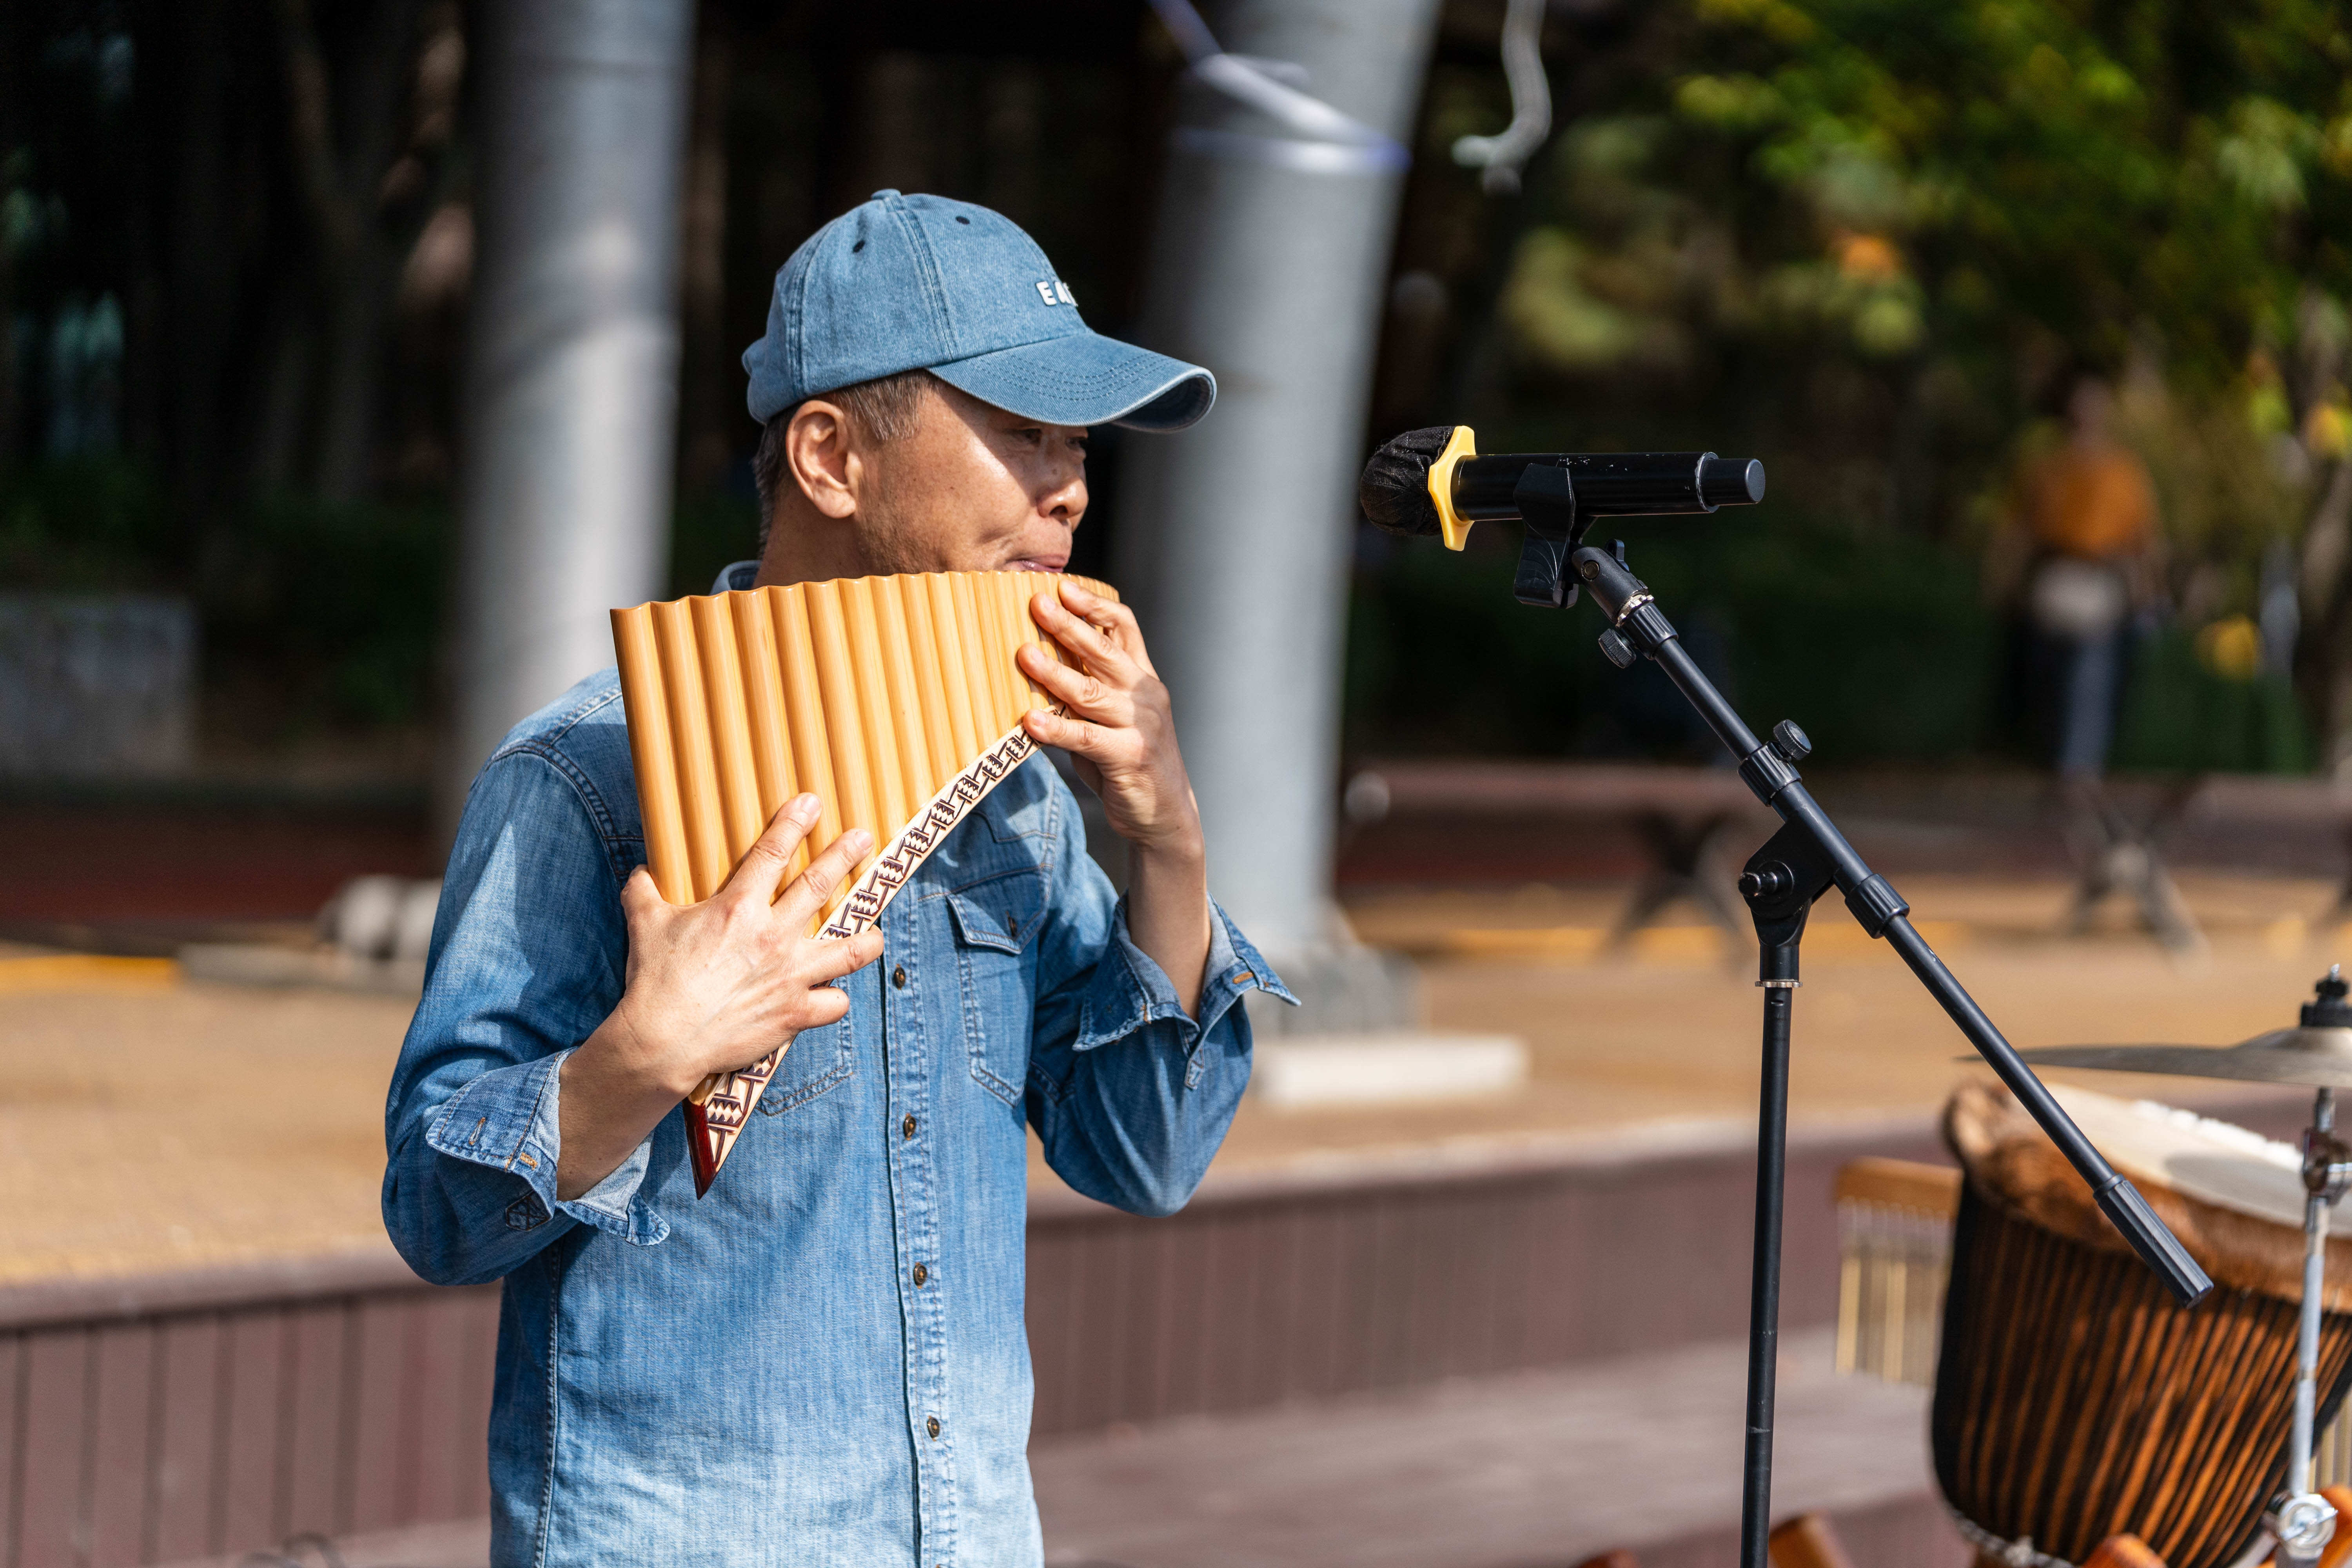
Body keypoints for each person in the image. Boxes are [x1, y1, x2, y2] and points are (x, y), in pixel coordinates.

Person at [383, 190, 1291, 1567]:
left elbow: (1145, 1155)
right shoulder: (587, 774)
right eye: (1024, 431)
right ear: (830, 456)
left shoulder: (1018, 791)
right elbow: (435, 1211)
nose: (1073, 489)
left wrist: (1168, 842)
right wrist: (641, 1058)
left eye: (1080, 445)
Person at [1987, 375, 2165, 777]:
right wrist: (2004, 579)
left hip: (2098, 584)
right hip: (2054, 580)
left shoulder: (2124, 472)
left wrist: (2150, 593)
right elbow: (2016, 530)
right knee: (2044, 685)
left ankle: (2078, 771)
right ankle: (2046, 765)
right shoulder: (2044, 465)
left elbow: (2144, 539)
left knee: (2090, 682)